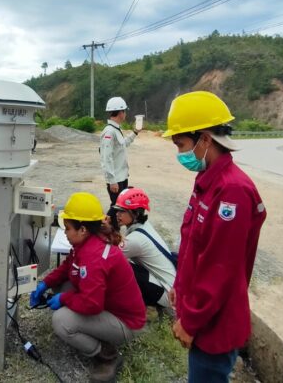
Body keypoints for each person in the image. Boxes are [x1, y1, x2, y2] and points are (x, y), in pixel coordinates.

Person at [163, 91, 267, 383]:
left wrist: (191, 321)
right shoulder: (208, 182)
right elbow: (194, 247)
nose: (179, 153)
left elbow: (219, 269)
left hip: (213, 322)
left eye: (181, 144)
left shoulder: (231, 191)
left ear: (205, 139)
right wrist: (180, 285)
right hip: (202, 311)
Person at [30, 192, 146, 382]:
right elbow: (69, 266)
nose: (65, 233)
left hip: (125, 323)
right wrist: (45, 283)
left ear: (83, 229)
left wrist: (64, 299)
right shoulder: (90, 241)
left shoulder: (94, 257)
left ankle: (107, 356)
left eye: (67, 228)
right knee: (62, 285)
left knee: (61, 320)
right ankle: (91, 330)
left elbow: (92, 305)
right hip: (109, 306)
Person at [112, 187, 176, 309]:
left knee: (118, 266)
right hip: (169, 286)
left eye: (122, 211)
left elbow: (106, 257)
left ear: (135, 213)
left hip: (167, 295)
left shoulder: (136, 240)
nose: (117, 214)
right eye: (117, 210)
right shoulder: (144, 225)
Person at [100, 96, 140, 230]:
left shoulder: (116, 129)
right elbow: (106, 157)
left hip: (121, 177)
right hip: (116, 179)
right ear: (120, 112)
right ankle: (103, 229)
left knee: (119, 207)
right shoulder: (109, 132)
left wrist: (135, 133)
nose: (125, 114)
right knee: (117, 207)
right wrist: (112, 180)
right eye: (124, 111)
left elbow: (123, 146)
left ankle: (111, 232)